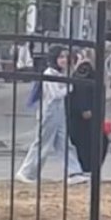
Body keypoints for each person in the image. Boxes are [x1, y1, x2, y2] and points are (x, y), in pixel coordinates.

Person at [16, 46, 88, 185]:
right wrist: (69, 87)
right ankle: (27, 172)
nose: (63, 60)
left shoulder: (60, 74)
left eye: (65, 57)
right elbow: (55, 95)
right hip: (49, 111)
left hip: (58, 110)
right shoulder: (49, 73)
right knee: (43, 143)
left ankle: (74, 172)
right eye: (60, 57)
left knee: (64, 143)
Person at [67, 57, 109, 174]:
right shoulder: (76, 79)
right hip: (79, 120)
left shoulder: (94, 79)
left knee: (98, 141)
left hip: (92, 121)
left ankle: (89, 168)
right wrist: (83, 109)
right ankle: (83, 168)